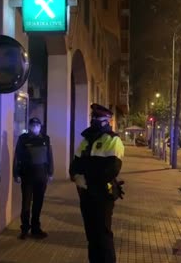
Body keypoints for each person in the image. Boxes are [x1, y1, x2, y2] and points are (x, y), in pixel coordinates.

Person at [69, 104, 125, 263]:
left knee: (102, 236)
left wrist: (86, 178)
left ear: (108, 120)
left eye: (98, 118)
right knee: (91, 236)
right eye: (93, 117)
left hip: (102, 195)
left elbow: (110, 170)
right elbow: (75, 165)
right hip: (86, 194)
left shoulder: (113, 140)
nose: (94, 120)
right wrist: (76, 176)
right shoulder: (86, 140)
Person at [13, 117, 54, 240]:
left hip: (41, 176)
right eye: (33, 125)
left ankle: (36, 228)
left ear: (40, 126)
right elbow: (17, 157)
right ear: (29, 126)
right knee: (26, 204)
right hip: (27, 176)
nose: (35, 127)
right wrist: (16, 174)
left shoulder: (45, 139)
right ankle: (25, 229)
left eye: (37, 125)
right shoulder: (23, 139)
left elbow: (49, 156)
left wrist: (51, 173)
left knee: (38, 203)